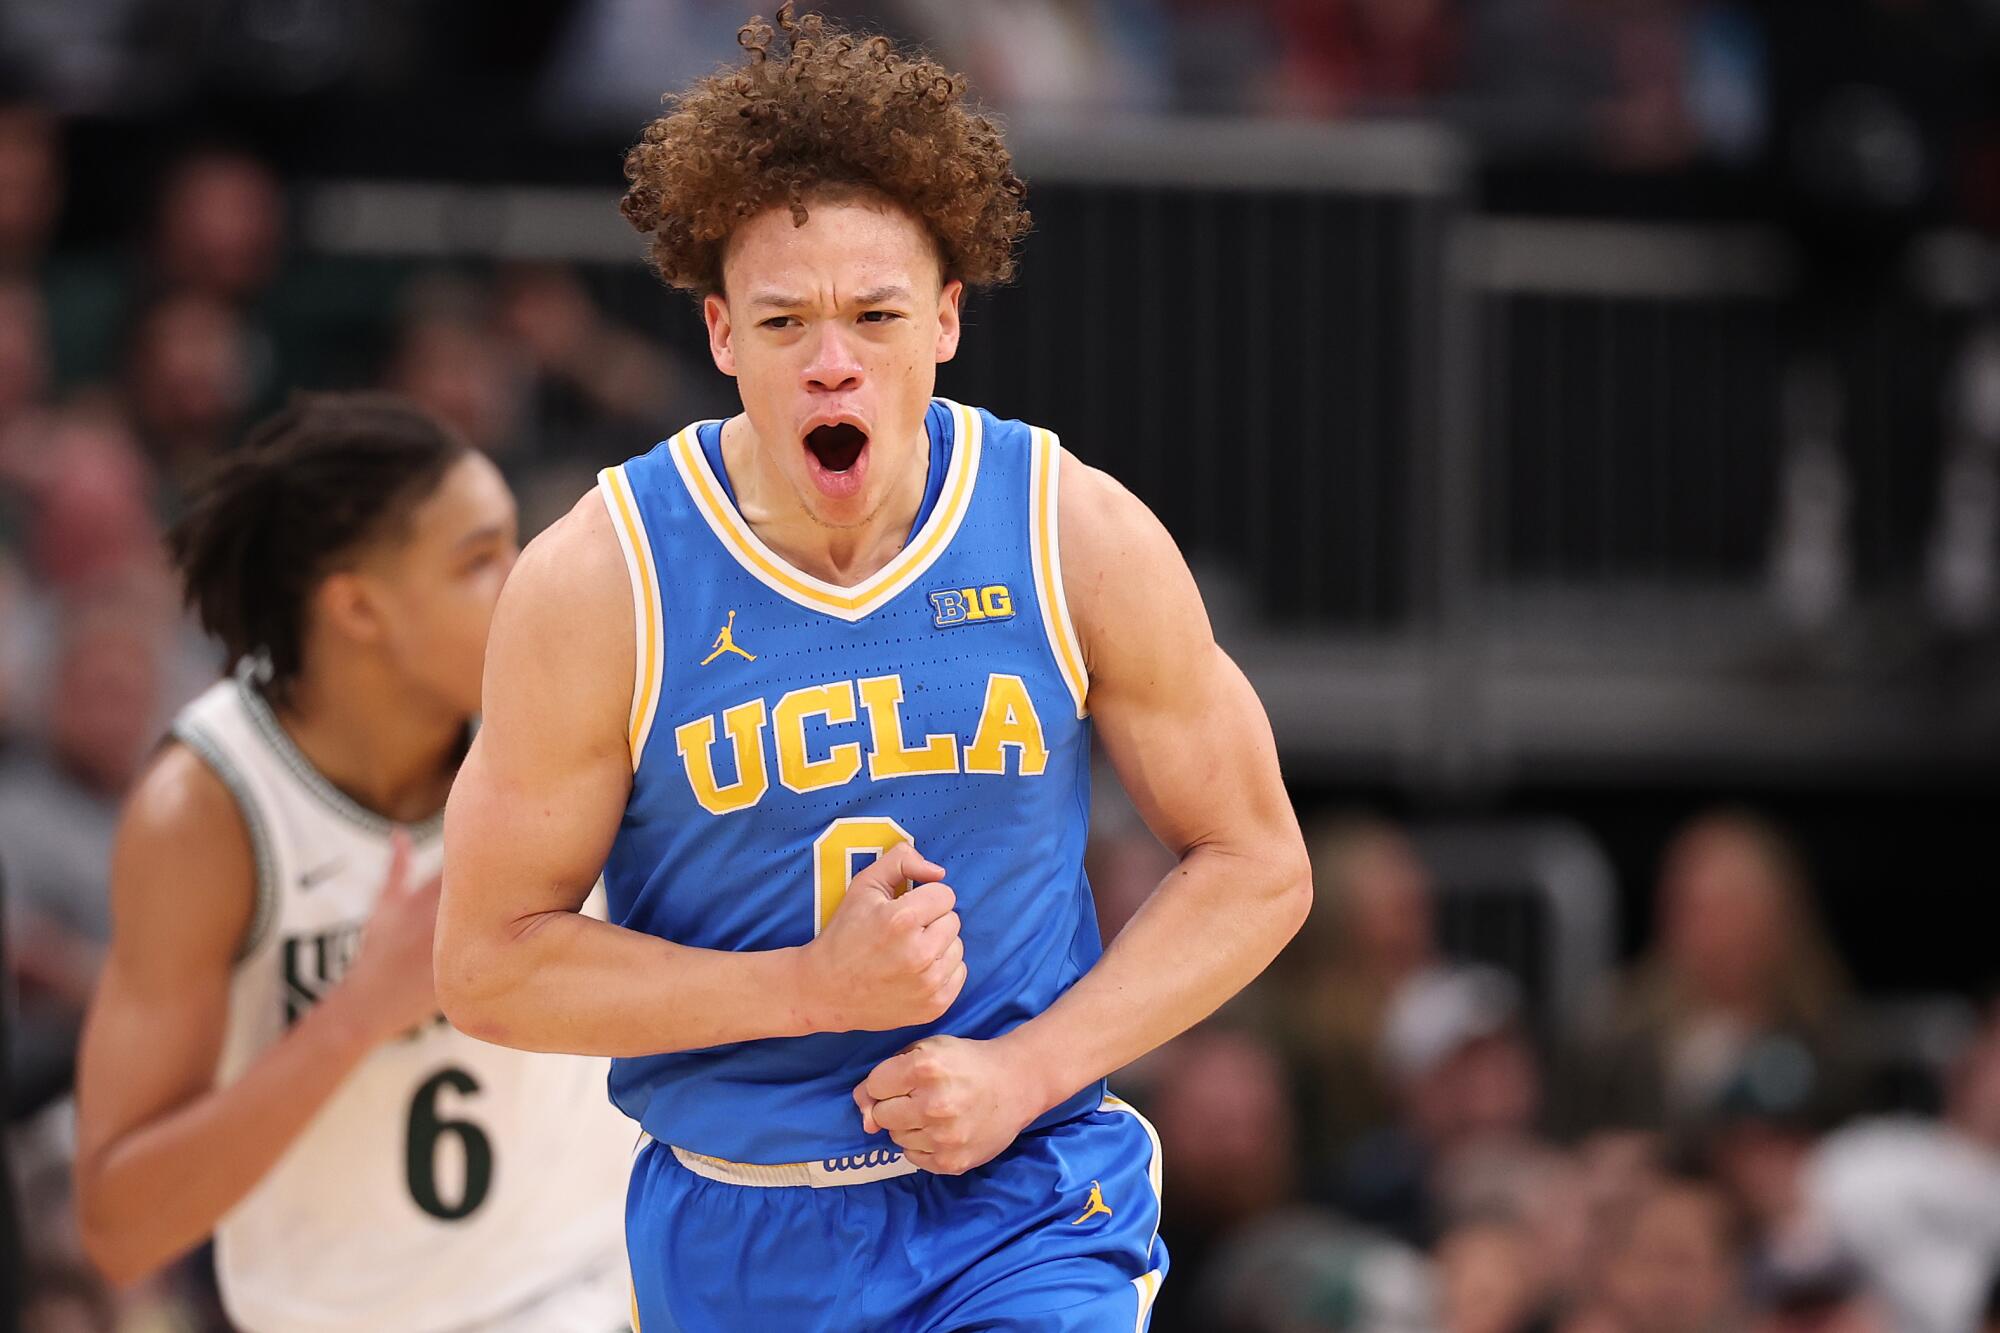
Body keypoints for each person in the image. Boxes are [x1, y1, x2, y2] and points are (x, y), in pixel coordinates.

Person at [433, 6, 1313, 1330]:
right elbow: (487, 965)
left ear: (946, 319)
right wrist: (803, 991)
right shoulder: (601, 580)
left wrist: (1027, 1072)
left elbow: (1258, 864)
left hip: (1020, 1202)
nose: (832, 362)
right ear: (720, 334)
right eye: (784, 321)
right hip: (736, 1219)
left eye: (875, 314)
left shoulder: (1068, 530)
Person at [70, 394, 636, 1332]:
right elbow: (121, 1227)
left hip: (592, 1290)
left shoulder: (575, 704)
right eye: (478, 560)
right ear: (358, 606)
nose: (526, 578)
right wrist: (358, 1014)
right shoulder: (207, 811)